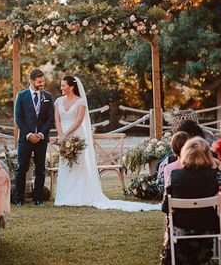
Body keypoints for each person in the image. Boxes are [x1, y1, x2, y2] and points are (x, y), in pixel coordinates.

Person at [53, 75, 160, 211]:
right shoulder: (58, 101)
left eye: (63, 85)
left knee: (78, 164)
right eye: (61, 85)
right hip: (63, 136)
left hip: (76, 135)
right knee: (65, 165)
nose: (61, 87)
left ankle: (78, 196)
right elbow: (56, 120)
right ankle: (64, 197)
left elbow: (78, 121)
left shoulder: (80, 102)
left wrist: (67, 134)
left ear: (72, 87)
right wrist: (61, 135)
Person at [156, 137, 221, 265]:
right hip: (207, 227)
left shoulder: (175, 176)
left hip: (181, 227)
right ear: (207, 155)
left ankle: (174, 262)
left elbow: (166, 207)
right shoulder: (214, 176)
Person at [13, 68, 55, 206]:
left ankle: (38, 198)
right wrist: (29, 134)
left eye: (43, 81)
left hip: (41, 139)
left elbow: (50, 119)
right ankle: (18, 198)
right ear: (31, 81)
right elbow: (18, 118)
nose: (42, 83)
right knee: (21, 168)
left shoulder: (48, 97)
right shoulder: (21, 96)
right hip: (25, 139)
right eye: (39, 81)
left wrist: (41, 134)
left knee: (40, 169)